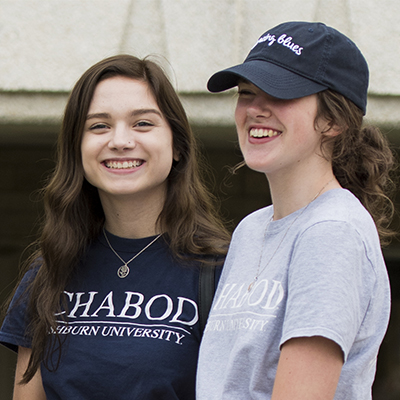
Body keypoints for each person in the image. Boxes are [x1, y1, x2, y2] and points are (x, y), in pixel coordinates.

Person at [0, 54, 230, 399]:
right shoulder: (49, 270)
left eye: (142, 124)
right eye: (99, 126)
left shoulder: (222, 271)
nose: (120, 140)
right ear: (78, 149)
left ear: (178, 145)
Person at [196, 21, 397, 399]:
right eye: (246, 92)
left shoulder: (332, 230)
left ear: (333, 120)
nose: (255, 109)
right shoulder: (251, 229)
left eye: (279, 93)